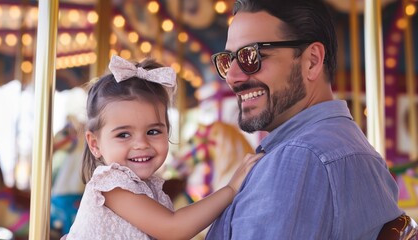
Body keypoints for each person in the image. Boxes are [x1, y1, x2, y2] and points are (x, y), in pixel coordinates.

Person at [207, 0, 404, 239]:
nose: (232, 77)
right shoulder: (356, 151)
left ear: (311, 61)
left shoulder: (298, 158)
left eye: (251, 56)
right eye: (228, 60)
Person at [65, 55, 262, 240]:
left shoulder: (148, 186)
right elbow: (173, 228)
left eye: (153, 132)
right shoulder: (112, 186)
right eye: (123, 135)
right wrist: (230, 188)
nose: (141, 144)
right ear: (94, 143)